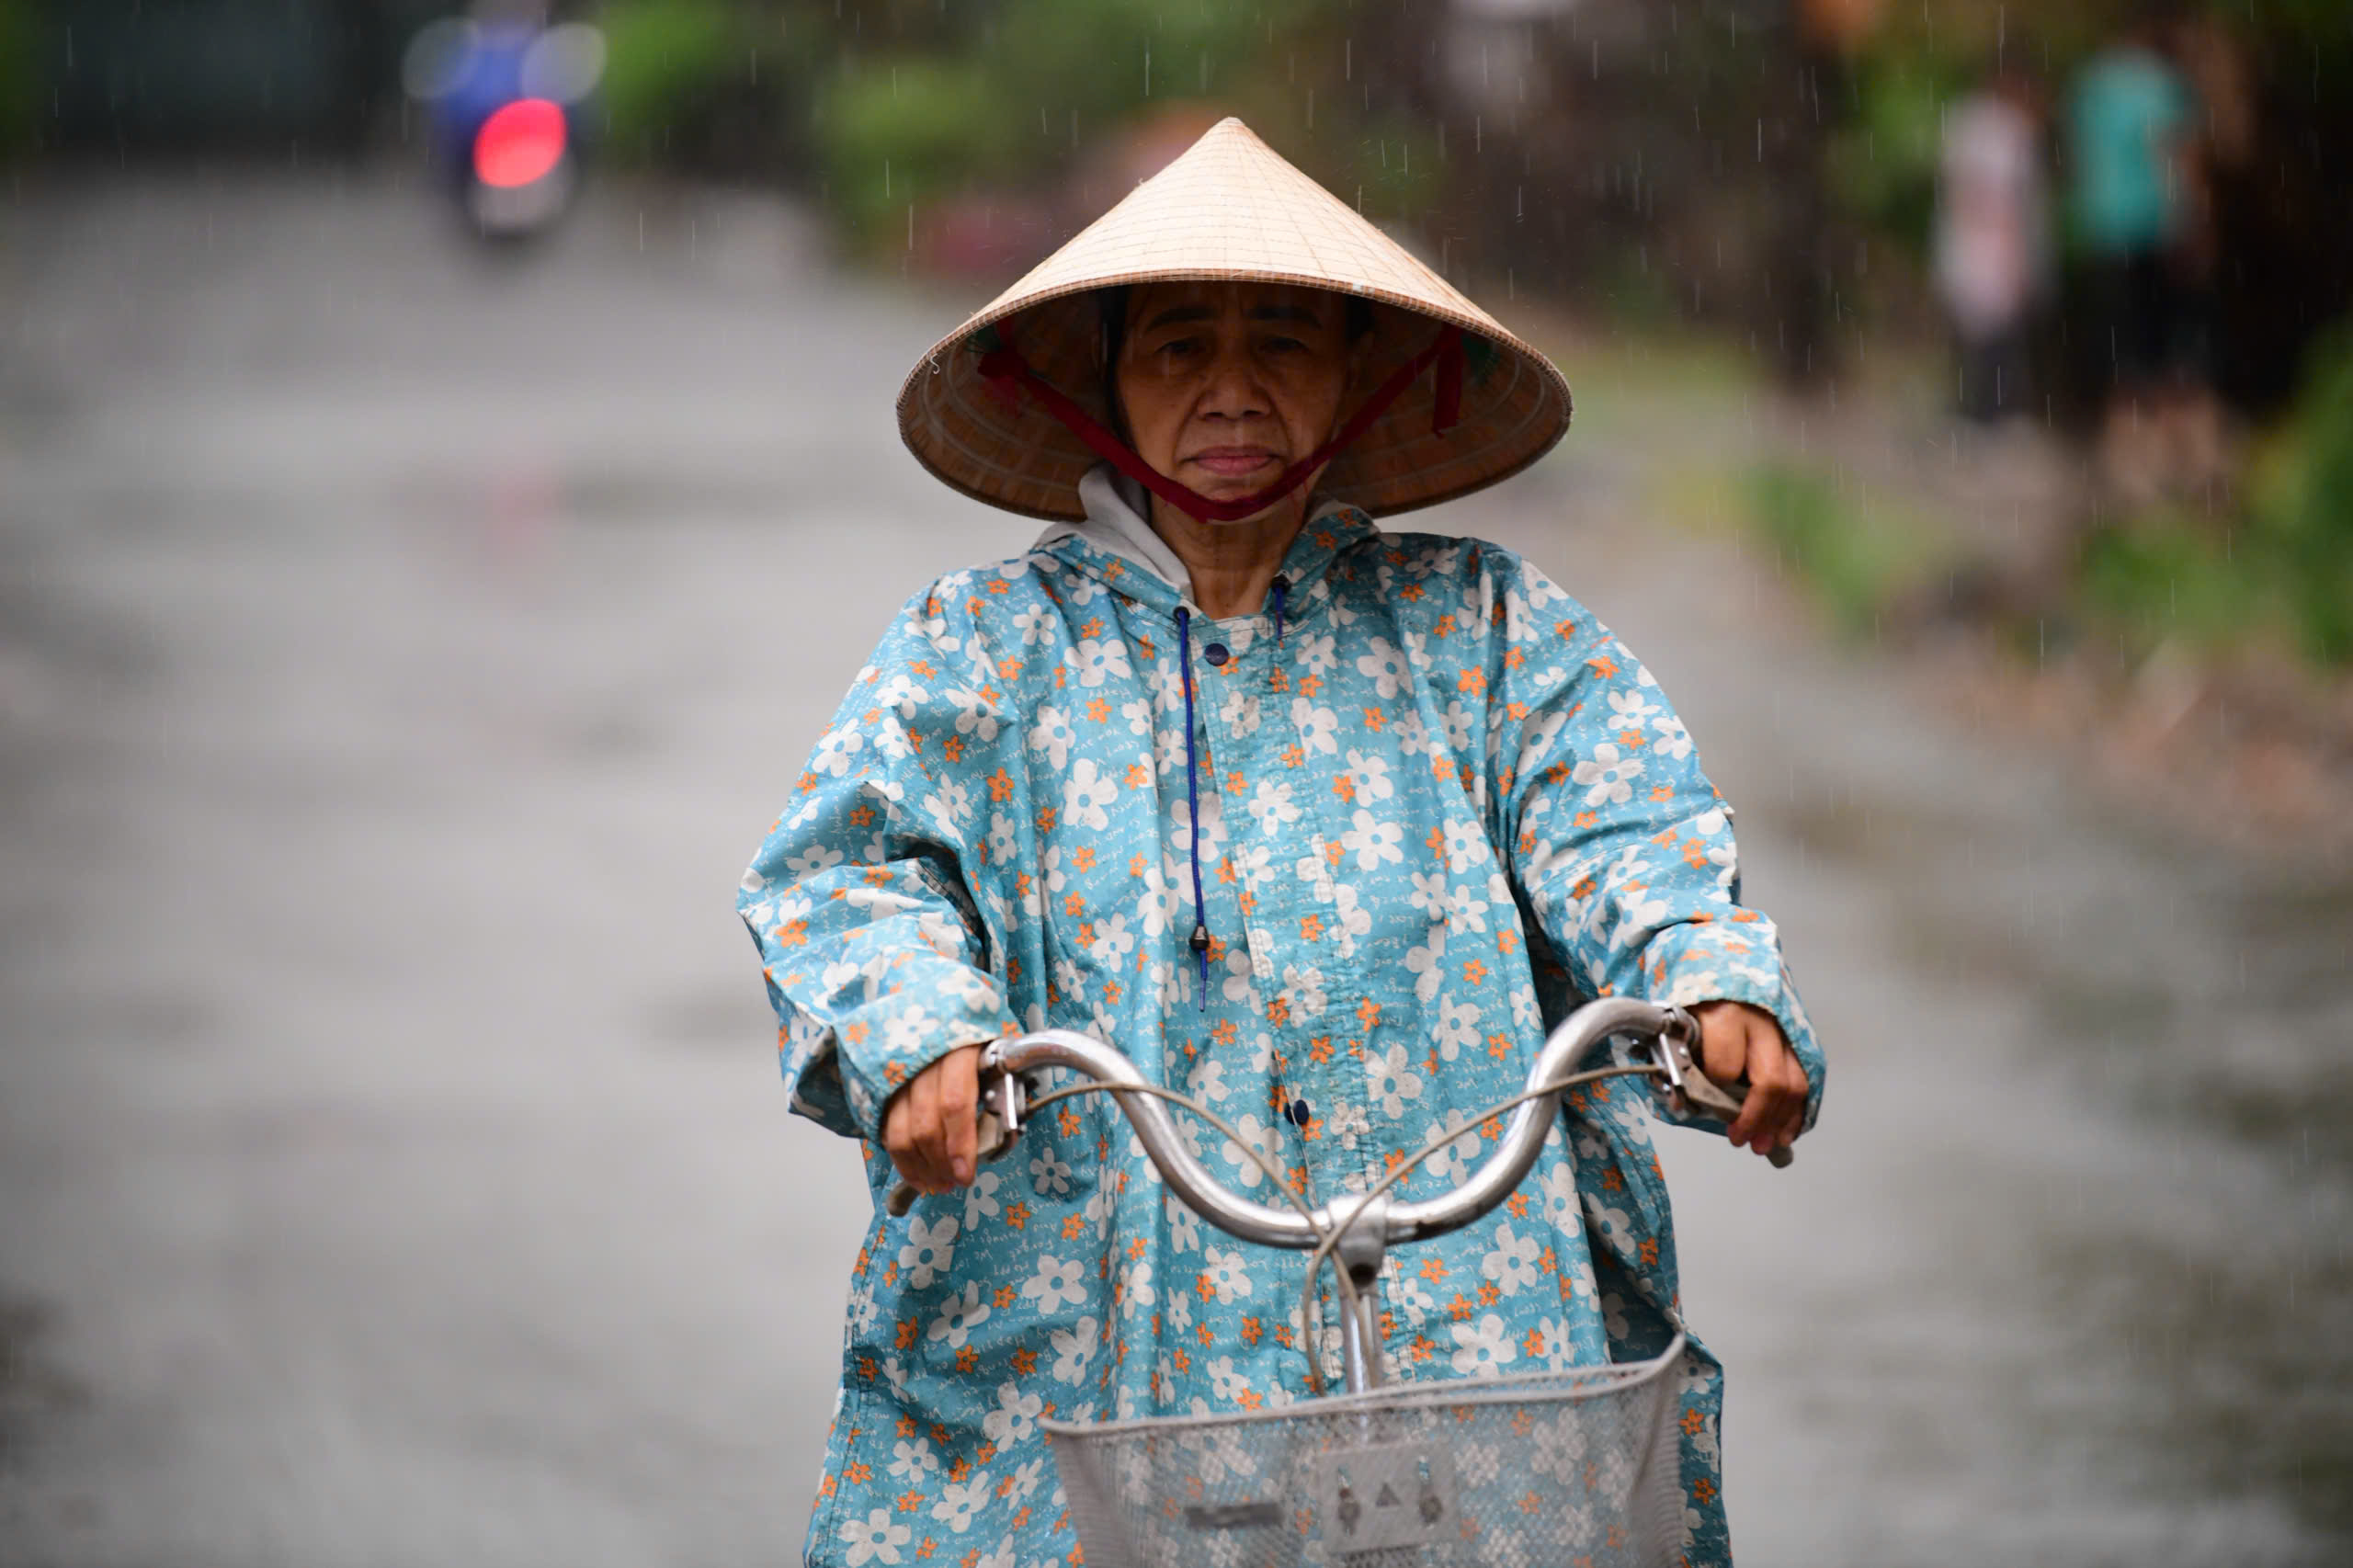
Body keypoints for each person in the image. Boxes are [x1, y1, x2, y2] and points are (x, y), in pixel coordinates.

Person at [739, 119, 1824, 1567]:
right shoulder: (985, 650)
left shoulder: (1482, 629)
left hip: (1465, 1343)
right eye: (1182, 347)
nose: (1234, 390)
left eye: (1284, 346)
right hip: (1104, 1360)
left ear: (1352, 378)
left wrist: (1705, 966)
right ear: (1107, 386)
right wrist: (923, 1028)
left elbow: (1623, 811)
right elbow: (847, 868)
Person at [1934, 70, 2050, 423]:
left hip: (1981, 247)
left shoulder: (1968, 124)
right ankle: (1989, 413)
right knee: (1993, 340)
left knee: (1988, 339)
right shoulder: (2006, 132)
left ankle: (1985, 412)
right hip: (1990, 249)